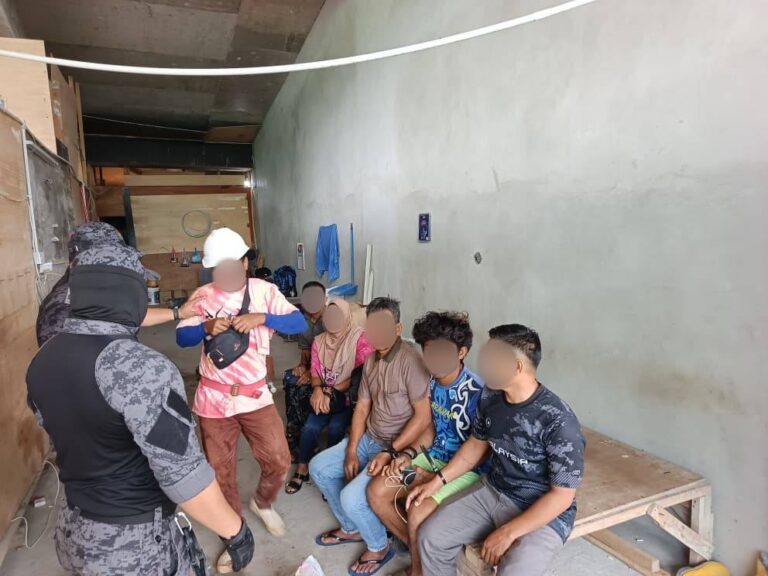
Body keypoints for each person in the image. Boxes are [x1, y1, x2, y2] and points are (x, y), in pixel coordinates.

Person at [26, 243, 255, 575]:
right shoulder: (138, 367)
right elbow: (183, 477)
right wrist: (235, 531)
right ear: (125, 291)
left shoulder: (44, 358)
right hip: (134, 546)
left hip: (74, 532)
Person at [175, 227, 307, 573]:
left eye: (231, 267)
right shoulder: (203, 295)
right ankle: (235, 536)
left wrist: (262, 317)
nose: (224, 275)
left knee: (279, 459)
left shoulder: (264, 291)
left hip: (255, 397)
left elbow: (298, 323)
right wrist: (205, 328)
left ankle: (262, 502)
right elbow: (182, 338)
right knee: (221, 473)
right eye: (218, 269)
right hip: (213, 400)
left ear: (246, 263)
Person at [409, 325, 585, 576]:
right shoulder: (490, 397)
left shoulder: (558, 421)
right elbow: (475, 445)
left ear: (517, 366)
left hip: (542, 511)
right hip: (495, 490)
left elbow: (562, 497)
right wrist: (437, 482)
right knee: (431, 537)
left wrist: (508, 532)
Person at [309, 297, 431, 576]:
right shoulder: (371, 361)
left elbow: (423, 418)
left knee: (352, 497)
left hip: (398, 448)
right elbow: (362, 407)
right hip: (370, 439)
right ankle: (352, 528)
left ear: (397, 328)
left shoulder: (411, 361)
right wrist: (352, 449)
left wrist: (392, 451)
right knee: (319, 468)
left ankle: (379, 546)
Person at [367, 311, 485, 576]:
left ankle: (418, 568)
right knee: (376, 491)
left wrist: (436, 477)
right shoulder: (431, 382)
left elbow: (480, 452)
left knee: (418, 508)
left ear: (462, 352)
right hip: (433, 458)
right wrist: (407, 455)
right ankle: (422, 557)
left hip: (466, 470)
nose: (435, 358)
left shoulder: (478, 393)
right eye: (430, 350)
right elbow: (431, 427)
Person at [36, 222, 200, 347]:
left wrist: (178, 313)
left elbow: (129, 314)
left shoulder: (93, 287)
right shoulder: (62, 309)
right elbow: (70, 371)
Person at [285, 298, 374, 494]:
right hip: (323, 394)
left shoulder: (359, 339)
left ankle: (329, 470)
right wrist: (318, 389)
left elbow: (357, 376)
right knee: (310, 427)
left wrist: (328, 391)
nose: (333, 320)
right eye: (329, 316)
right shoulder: (319, 341)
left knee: (336, 428)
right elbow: (315, 371)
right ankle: (303, 468)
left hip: (346, 397)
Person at [284, 281, 327, 457]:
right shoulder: (303, 321)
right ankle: (294, 434)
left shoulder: (331, 318)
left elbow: (334, 355)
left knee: (303, 389)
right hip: (313, 366)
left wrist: (312, 373)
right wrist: (302, 367)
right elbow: (305, 350)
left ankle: (306, 438)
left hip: (332, 370)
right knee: (291, 380)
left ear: (324, 299)